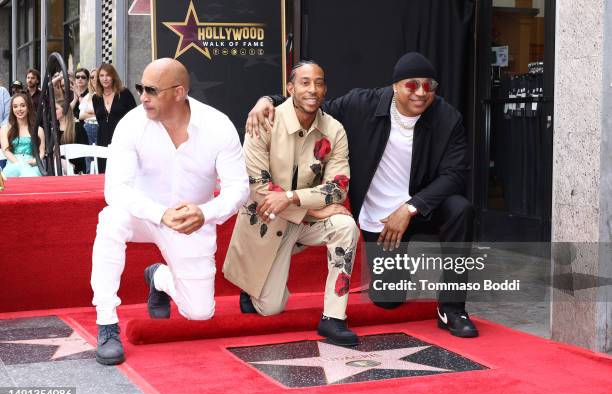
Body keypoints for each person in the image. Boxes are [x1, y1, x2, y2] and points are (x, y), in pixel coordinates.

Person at [246, 52, 478, 338]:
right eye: (412, 85)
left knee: (460, 209)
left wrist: (409, 209)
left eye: (428, 86)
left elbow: (455, 174)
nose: (421, 92)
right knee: (389, 299)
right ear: (395, 86)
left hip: (420, 209)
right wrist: (267, 100)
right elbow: (315, 104)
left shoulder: (447, 117)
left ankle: (452, 308)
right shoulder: (362, 105)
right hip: (380, 221)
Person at [91, 58, 249, 366]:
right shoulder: (131, 125)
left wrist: (205, 212)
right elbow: (115, 190)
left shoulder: (218, 126)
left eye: (151, 90)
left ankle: (159, 278)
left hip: (192, 222)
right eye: (140, 88)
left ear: (178, 92)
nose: (142, 97)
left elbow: (238, 189)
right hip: (144, 215)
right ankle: (106, 322)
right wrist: (161, 213)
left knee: (200, 313)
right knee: (110, 219)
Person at [223, 61, 360, 346]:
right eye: (305, 82)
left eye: (319, 83)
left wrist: (292, 198)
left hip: (302, 221)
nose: (313, 89)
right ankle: (254, 289)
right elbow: (259, 188)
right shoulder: (264, 121)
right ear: (290, 88)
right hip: (268, 219)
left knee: (345, 225)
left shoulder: (334, 130)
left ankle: (334, 317)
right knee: (271, 308)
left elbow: (339, 188)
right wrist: (312, 208)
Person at [91, 63, 137, 173]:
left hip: (122, 140)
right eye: (101, 76)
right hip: (103, 139)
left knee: (123, 173)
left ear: (113, 77)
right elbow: (100, 120)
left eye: (108, 75)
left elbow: (134, 117)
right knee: (104, 174)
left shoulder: (124, 93)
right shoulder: (96, 98)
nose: (105, 79)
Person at [0, 93, 44, 177]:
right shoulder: (5, 129)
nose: (19, 109)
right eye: (15, 106)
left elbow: (41, 152)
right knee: (23, 171)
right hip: (12, 165)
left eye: (22, 105)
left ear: (28, 108)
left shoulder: (39, 130)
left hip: (32, 164)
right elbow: (6, 151)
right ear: (12, 109)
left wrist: (35, 161)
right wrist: (19, 164)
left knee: (32, 173)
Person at [79, 68, 100, 172]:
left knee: (100, 157)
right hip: (88, 128)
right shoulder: (89, 95)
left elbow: (102, 111)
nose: (94, 79)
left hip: (99, 127)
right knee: (89, 157)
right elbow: (81, 115)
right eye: (92, 77)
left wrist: (92, 111)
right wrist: (94, 112)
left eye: (97, 76)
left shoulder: (106, 93)